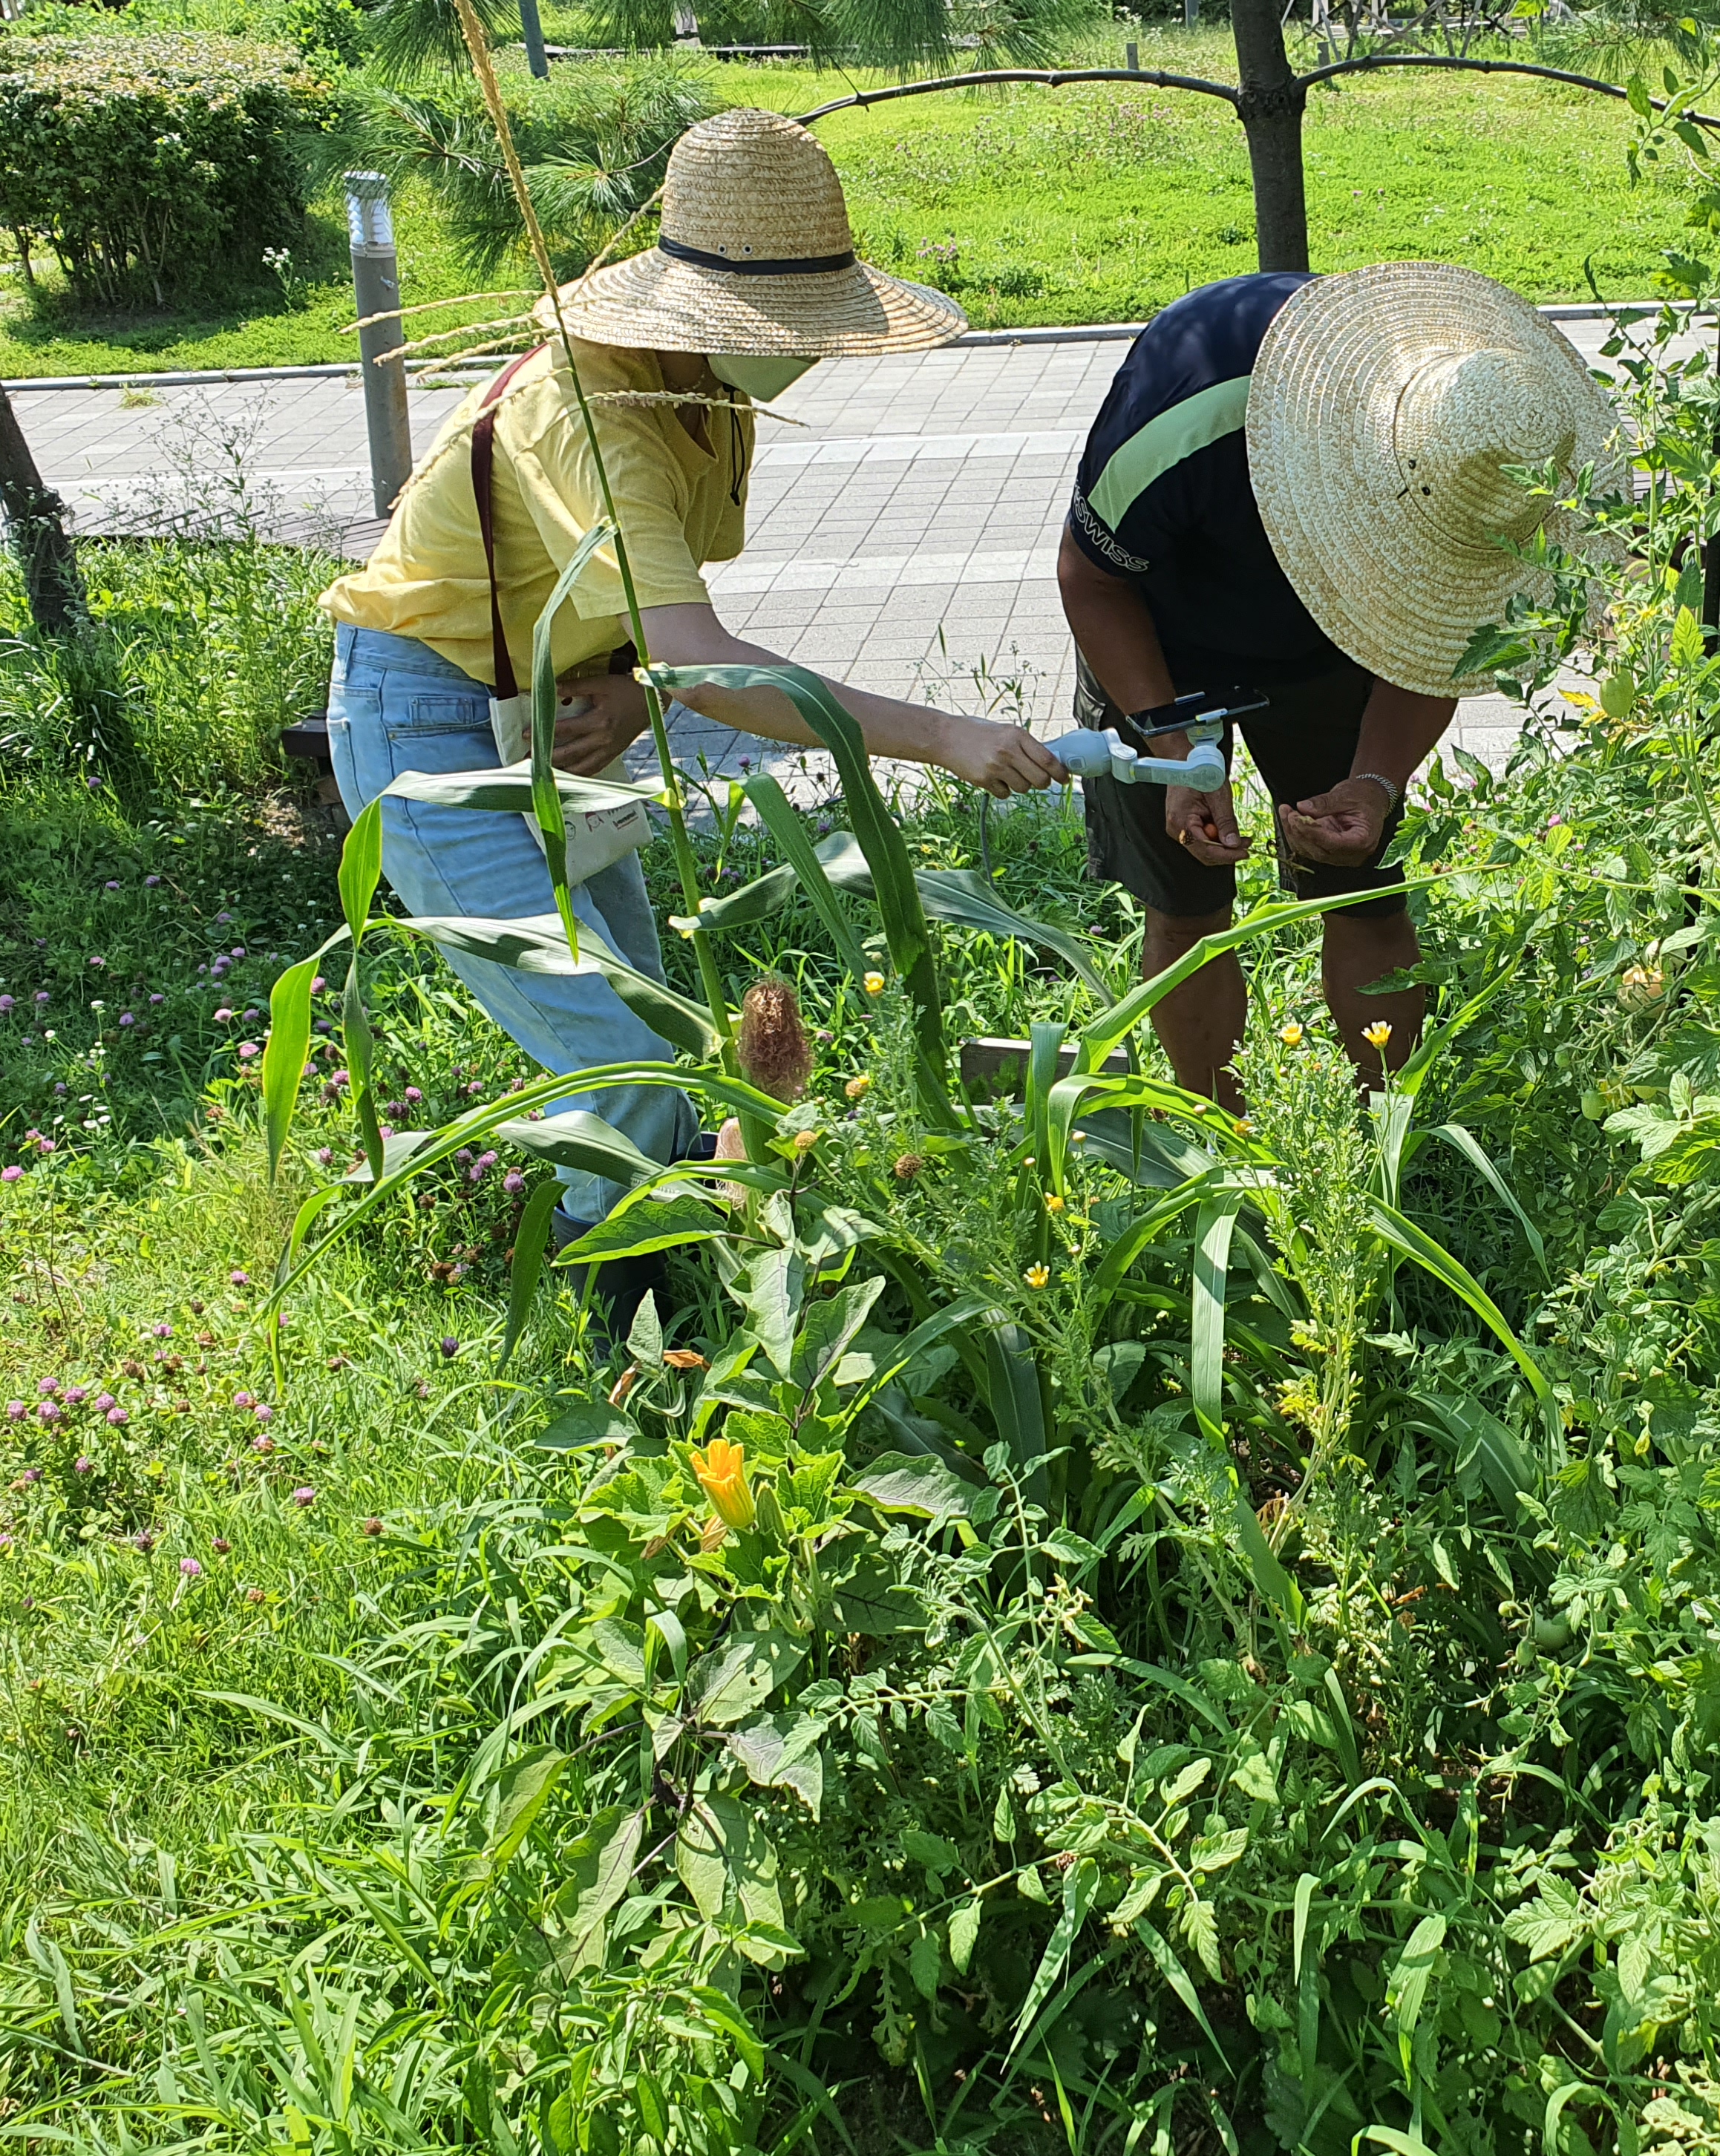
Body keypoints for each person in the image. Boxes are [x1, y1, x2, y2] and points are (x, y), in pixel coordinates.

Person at [324, 110, 1064, 1316]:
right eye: (781, 328)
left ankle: (686, 1293)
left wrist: (628, 690)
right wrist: (940, 736)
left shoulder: (699, 391)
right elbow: (706, 668)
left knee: (657, 1029)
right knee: (621, 1060)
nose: (798, 354)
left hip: (554, 709)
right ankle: (623, 1341)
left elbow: (648, 630)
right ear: (703, 314)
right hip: (434, 724)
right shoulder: (596, 412)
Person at [1057, 261, 1621, 1104]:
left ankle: (1385, 1133)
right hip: (1157, 638)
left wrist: (1377, 781)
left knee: (1364, 894)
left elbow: (1444, 644)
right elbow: (1092, 580)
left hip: (1337, 648)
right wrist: (1172, 748)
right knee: (1187, 907)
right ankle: (1217, 1137)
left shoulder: (1511, 457)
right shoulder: (1188, 417)